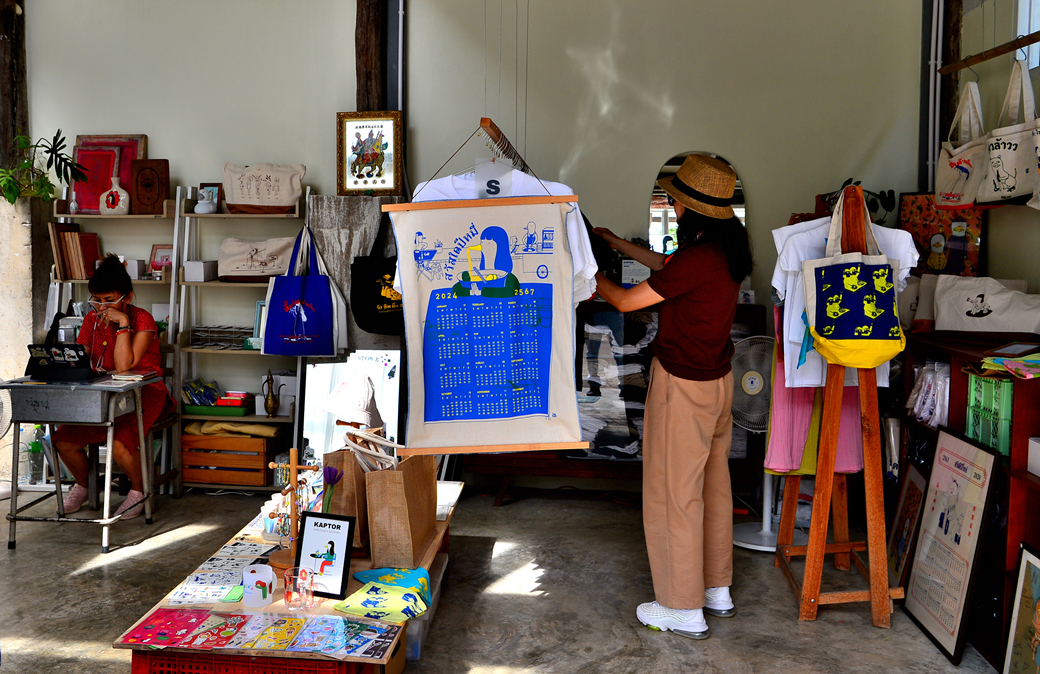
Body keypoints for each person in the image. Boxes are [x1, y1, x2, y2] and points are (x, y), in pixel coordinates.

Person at [593, 153, 753, 639]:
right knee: (713, 488)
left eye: (676, 202)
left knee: (673, 495)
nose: (673, 208)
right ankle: (716, 588)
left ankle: (680, 607)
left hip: (683, 389)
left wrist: (585, 270)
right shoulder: (724, 252)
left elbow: (624, 301)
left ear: (693, 209)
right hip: (718, 384)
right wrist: (619, 244)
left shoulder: (699, 257)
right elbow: (668, 267)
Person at [53, 255, 174, 519]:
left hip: (145, 394)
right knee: (63, 440)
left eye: (109, 300)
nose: (101, 307)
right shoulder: (91, 321)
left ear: (127, 298)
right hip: (104, 395)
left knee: (120, 444)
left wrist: (123, 324)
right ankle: (86, 486)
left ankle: (139, 491)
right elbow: (80, 358)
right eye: (96, 300)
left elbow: (124, 366)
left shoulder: (142, 319)